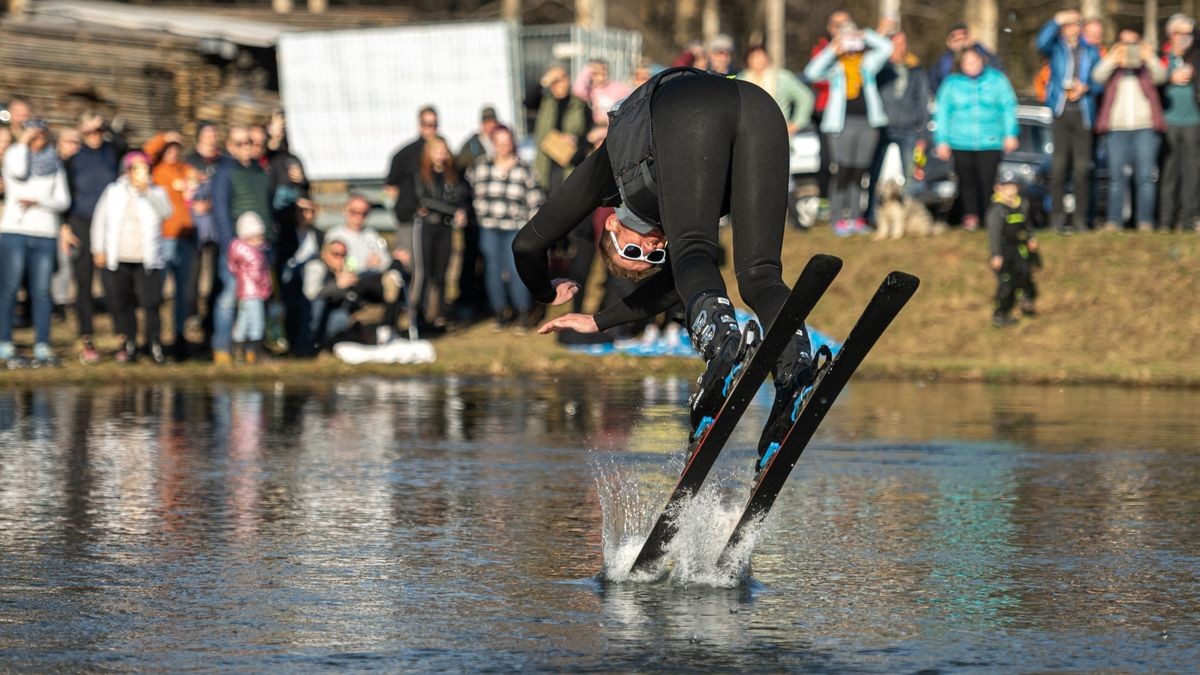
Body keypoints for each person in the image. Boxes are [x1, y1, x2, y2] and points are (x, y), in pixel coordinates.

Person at [512, 71, 816, 466]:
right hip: (760, 110)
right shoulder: (677, 226)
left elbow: (526, 244)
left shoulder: (608, 171)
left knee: (694, 250)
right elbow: (676, 286)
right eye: (652, 258)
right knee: (759, 274)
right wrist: (598, 321)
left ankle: (720, 342)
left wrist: (544, 291)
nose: (649, 249)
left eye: (628, 249)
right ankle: (796, 365)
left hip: (684, 105)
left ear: (612, 224)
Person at [804, 23, 893, 235]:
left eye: (854, 41)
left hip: (868, 124)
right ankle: (837, 218)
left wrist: (866, 34)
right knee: (843, 171)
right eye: (848, 41)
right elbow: (811, 72)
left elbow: (887, 48)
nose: (852, 47)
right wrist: (833, 48)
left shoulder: (868, 64)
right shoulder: (835, 67)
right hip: (841, 125)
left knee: (859, 172)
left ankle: (855, 217)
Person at [0, 119, 70, 366]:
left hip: (45, 233)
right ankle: (4, 342)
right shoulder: (14, 156)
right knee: (8, 289)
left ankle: (42, 343)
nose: (37, 141)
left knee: (41, 291)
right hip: (15, 231)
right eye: (33, 137)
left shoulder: (55, 164)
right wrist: (24, 140)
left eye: (40, 136)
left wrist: (39, 202)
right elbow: (18, 171)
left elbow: (62, 201)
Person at [91, 151, 171, 364]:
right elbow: (100, 221)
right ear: (128, 171)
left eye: (144, 168)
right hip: (120, 256)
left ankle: (154, 344)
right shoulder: (114, 191)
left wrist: (149, 193)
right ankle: (130, 344)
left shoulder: (157, 191)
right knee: (123, 302)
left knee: (151, 303)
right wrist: (98, 249)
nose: (140, 173)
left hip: (147, 258)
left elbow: (166, 213)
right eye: (136, 168)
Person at [467, 125, 544, 329]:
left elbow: (535, 200)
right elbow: (469, 192)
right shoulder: (480, 166)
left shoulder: (524, 168)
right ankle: (500, 311)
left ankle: (523, 311)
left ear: (513, 143)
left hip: (515, 227)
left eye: (507, 142)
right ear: (493, 144)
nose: (503, 146)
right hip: (489, 226)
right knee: (492, 270)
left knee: (515, 269)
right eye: (499, 142)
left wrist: (532, 230)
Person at [934, 49, 1019, 231]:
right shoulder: (951, 83)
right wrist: (942, 140)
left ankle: (988, 216)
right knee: (966, 181)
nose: (973, 65)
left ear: (983, 61)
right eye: (968, 62)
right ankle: (970, 216)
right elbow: (942, 112)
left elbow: (1008, 106)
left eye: (976, 61)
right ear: (961, 64)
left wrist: (1010, 133)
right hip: (960, 140)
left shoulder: (997, 80)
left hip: (990, 140)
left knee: (987, 180)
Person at [1092, 28, 1166, 232]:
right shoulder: (1114, 68)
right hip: (1117, 128)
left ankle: (1145, 221)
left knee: (1145, 177)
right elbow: (1096, 77)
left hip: (1145, 127)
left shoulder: (1146, 67)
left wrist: (1149, 57)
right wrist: (1112, 59)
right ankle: (1114, 221)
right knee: (1116, 177)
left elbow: (1161, 77)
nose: (1129, 47)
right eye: (1124, 42)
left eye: (1133, 42)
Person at [61, 111, 120, 364]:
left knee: (113, 283)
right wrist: (64, 227)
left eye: (98, 131)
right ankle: (87, 339)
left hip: (110, 225)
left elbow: (124, 143)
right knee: (83, 284)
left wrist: (105, 126)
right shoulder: (73, 161)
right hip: (81, 223)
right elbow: (65, 194)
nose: (94, 136)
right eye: (88, 132)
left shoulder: (112, 152)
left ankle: (122, 339)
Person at [210, 124, 271, 363]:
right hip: (236, 250)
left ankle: (251, 347)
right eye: (240, 143)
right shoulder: (225, 173)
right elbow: (221, 212)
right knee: (228, 297)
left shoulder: (259, 172)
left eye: (250, 142)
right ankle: (222, 347)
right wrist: (230, 246)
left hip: (260, 248)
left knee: (255, 299)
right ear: (230, 147)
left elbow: (265, 208)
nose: (246, 147)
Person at [1039, 9, 1101, 233]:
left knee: (1082, 169)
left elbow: (1100, 81)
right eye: (1067, 25)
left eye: (1075, 24)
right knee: (1058, 168)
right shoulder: (1055, 48)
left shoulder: (1091, 52)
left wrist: (1087, 88)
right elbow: (1041, 42)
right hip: (1061, 112)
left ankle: (1080, 219)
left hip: (1083, 114)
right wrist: (1056, 19)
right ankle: (1056, 219)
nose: (1071, 29)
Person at [144, 131, 199, 359]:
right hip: (165, 238)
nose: (173, 151)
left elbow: (199, 190)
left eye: (177, 147)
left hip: (186, 238)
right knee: (157, 291)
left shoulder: (186, 170)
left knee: (183, 292)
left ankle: (179, 335)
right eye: (169, 148)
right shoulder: (156, 171)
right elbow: (146, 153)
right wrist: (164, 137)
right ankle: (153, 337)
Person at [867, 29, 930, 224]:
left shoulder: (916, 71)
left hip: (909, 129)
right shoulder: (878, 70)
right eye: (894, 44)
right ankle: (871, 215)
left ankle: (908, 217)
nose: (899, 48)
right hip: (882, 128)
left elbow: (923, 102)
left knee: (911, 176)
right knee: (874, 174)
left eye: (903, 43)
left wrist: (923, 134)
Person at [323, 194, 407, 335]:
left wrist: (393, 259)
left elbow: (384, 261)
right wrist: (364, 264)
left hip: (376, 278)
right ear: (346, 211)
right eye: (354, 211)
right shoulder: (335, 235)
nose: (358, 216)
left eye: (363, 213)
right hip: (352, 280)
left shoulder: (371, 235)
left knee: (394, 276)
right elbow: (336, 262)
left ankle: (387, 328)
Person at [413, 136, 470, 332]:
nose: (441, 155)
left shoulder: (452, 175)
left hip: (445, 228)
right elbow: (425, 200)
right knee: (425, 273)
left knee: (442, 274)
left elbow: (462, 196)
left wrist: (461, 210)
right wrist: (453, 211)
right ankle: (419, 315)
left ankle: (440, 316)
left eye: (444, 151)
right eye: (437, 151)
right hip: (428, 227)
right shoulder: (422, 173)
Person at [1158, 15, 1200, 232]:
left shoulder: (1196, 57)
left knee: (1192, 173)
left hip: (1194, 122)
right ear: (1170, 35)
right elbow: (1153, 82)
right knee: (1169, 174)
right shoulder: (1161, 57)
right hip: (1168, 123)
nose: (1184, 38)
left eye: (1188, 34)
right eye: (1179, 33)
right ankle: (1166, 220)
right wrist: (1169, 77)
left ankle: (1189, 219)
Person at [986, 171, 1039, 327]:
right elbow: (993, 234)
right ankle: (1001, 313)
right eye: (1006, 186)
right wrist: (995, 254)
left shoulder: (1022, 205)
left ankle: (1026, 303)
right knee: (1006, 284)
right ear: (998, 188)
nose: (1010, 189)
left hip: (1019, 250)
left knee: (1024, 276)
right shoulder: (997, 210)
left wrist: (1031, 238)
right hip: (1003, 252)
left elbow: (1027, 226)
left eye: (1013, 186)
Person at [385, 106, 440, 255]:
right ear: (419, 124)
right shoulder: (405, 154)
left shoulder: (442, 153)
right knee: (410, 263)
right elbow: (391, 188)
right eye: (426, 124)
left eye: (433, 124)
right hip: (409, 219)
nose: (430, 129)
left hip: (433, 220)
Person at [228, 212, 272, 364]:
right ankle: (257, 353)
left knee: (243, 321)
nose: (261, 240)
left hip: (243, 293)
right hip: (254, 292)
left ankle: (238, 353)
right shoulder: (253, 254)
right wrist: (266, 284)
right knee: (256, 322)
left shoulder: (239, 251)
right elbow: (257, 272)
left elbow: (233, 268)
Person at [929, 23, 1003, 93]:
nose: (961, 43)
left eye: (964, 39)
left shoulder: (986, 57)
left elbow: (998, 78)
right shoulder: (941, 64)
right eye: (956, 40)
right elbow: (936, 88)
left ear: (971, 39)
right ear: (949, 43)